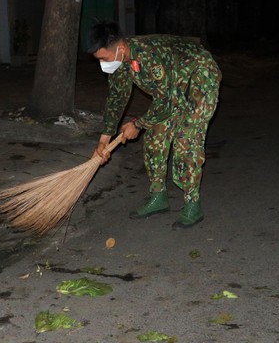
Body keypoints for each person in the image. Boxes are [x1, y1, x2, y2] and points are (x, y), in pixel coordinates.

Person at [88, 21, 221, 228]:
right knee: (154, 137)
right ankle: (159, 197)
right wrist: (104, 139)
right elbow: (117, 97)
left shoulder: (149, 56)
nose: (102, 63)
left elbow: (165, 102)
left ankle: (192, 204)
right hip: (173, 85)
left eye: (104, 58)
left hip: (200, 78)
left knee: (186, 140)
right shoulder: (121, 60)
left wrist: (138, 124)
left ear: (120, 49)